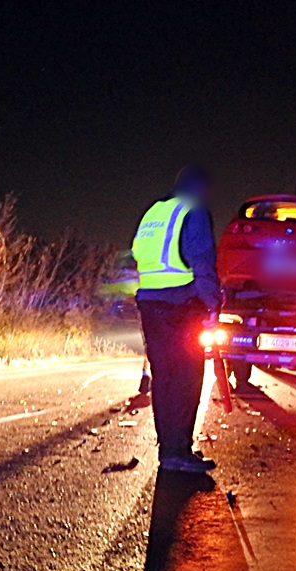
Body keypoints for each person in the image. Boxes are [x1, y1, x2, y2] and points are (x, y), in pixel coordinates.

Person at [132, 166, 223, 473]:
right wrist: (213, 304)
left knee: (165, 379)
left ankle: (168, 450)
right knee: (186, 379)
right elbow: (201, 261)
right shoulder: (193, 211)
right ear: (200, 187)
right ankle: (178, 452)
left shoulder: (154, 211)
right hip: (181, 307)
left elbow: (139, 253)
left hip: (150, 305)